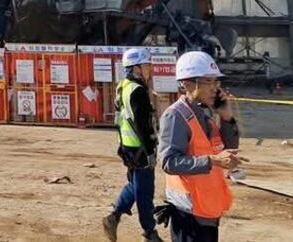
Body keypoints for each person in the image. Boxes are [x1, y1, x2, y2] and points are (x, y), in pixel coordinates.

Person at [156, 51, 245, 242]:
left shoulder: (205, 114)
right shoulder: (176, 116)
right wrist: (212, 161)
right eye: (208, 82)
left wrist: (227, 117)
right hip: (188, 213)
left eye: (216, 82)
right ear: (188, 83)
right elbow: (168, 162)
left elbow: (225, 148)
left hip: (207, 208)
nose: (214, 88)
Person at [103, 48, 162, 242]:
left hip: (128, 147)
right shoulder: (138, 91)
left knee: (134, 185)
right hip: (140, 149)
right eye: (147, 65)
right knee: (145, 192)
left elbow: (120, 119)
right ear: (136, 68)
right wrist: (151, 151)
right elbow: (142, 125)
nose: (150, 68)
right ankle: (149, 233)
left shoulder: (123, 86)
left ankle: (113, 216)